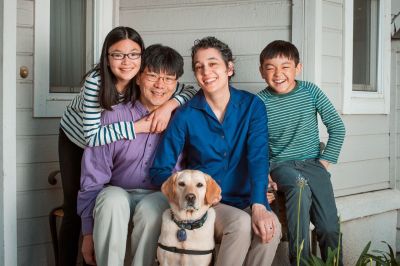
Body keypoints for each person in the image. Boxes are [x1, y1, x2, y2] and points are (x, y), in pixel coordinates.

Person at [58, 26, 196, 266]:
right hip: (78, 135)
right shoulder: (100, 91)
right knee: (91, 204)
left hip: (156, 193)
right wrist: (88, 233)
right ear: (140, 77)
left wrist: (167, 107)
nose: (160, 85)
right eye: (153, 76)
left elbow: (190, 90)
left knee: (153, 208)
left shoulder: (182, 119)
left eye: (168, 79)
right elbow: (92, 144)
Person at [150, 36, 281, 266]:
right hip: (209, 204)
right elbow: (160, 169)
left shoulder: (252, 106)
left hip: (247, 199)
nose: (205, 71)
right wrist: (182, 192)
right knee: (239, 224)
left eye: (213, 64)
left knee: (271, 228)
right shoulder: (185, 115)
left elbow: (258, 156)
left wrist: (259, 202)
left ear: (229, 68)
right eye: (199, 66)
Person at [257, 40, 346, 265]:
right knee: (298, 185)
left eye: (285, 67)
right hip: (280, 166)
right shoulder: (259, 102)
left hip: (314, 164)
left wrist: (324, 163)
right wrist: (264, 175)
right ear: (261, 71)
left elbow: (337, 127)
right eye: (270, 67)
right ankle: (300, 261)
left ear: (298, 68)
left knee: (329, 228)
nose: (278, 74)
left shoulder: (310, 91)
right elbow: (254, 145)